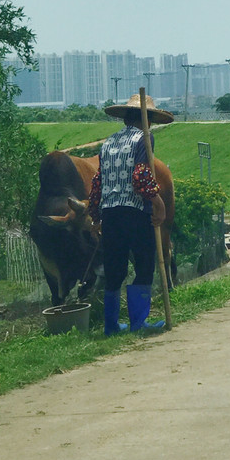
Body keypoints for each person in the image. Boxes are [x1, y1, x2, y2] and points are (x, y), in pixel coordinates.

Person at [88, 92, 174, 335]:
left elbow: (98, 181)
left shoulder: (108, 143)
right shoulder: (144, 139)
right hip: (136, 211)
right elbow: (140, 175)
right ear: (146, 121)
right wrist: (158, 202)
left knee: (115, 270)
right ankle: (138, 322)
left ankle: (111, 326)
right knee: (145, 266)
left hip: (110, 213)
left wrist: (95, 214)